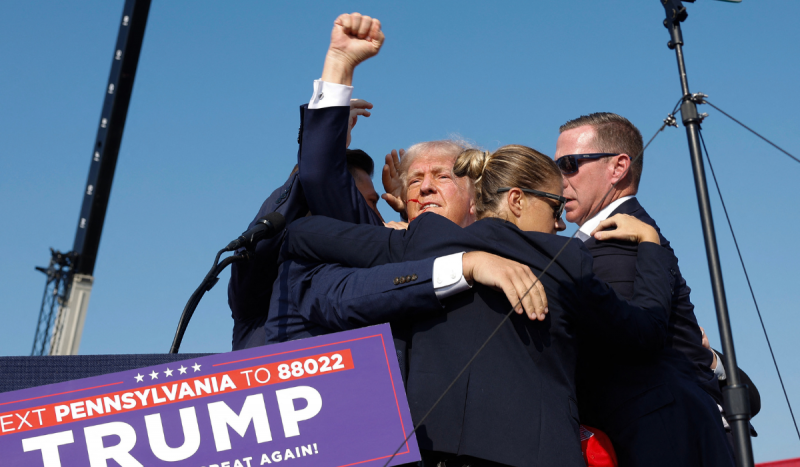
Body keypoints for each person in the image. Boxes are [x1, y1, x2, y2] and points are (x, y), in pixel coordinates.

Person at [279, 145, 683, 466]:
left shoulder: (425, 241)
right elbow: (643, 333)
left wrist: (397, 235)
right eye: (556, 208)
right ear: (518, 200)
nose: (562, 224)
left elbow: (299, 234)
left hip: (433, 453)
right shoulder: (567, 258)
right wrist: (652, 246)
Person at [554, 112, 736, 466]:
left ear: (619, 167)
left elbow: (626, 340)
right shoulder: (606, 238)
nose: (558, 179)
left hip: (659, 433)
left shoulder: (621, 239)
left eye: (570, 164)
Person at [227, 13, 388, 350]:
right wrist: (330, 133)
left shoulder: (381, 276)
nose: (376, 210)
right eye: (363, 201)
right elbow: (316, 175)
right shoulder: (259, 296)